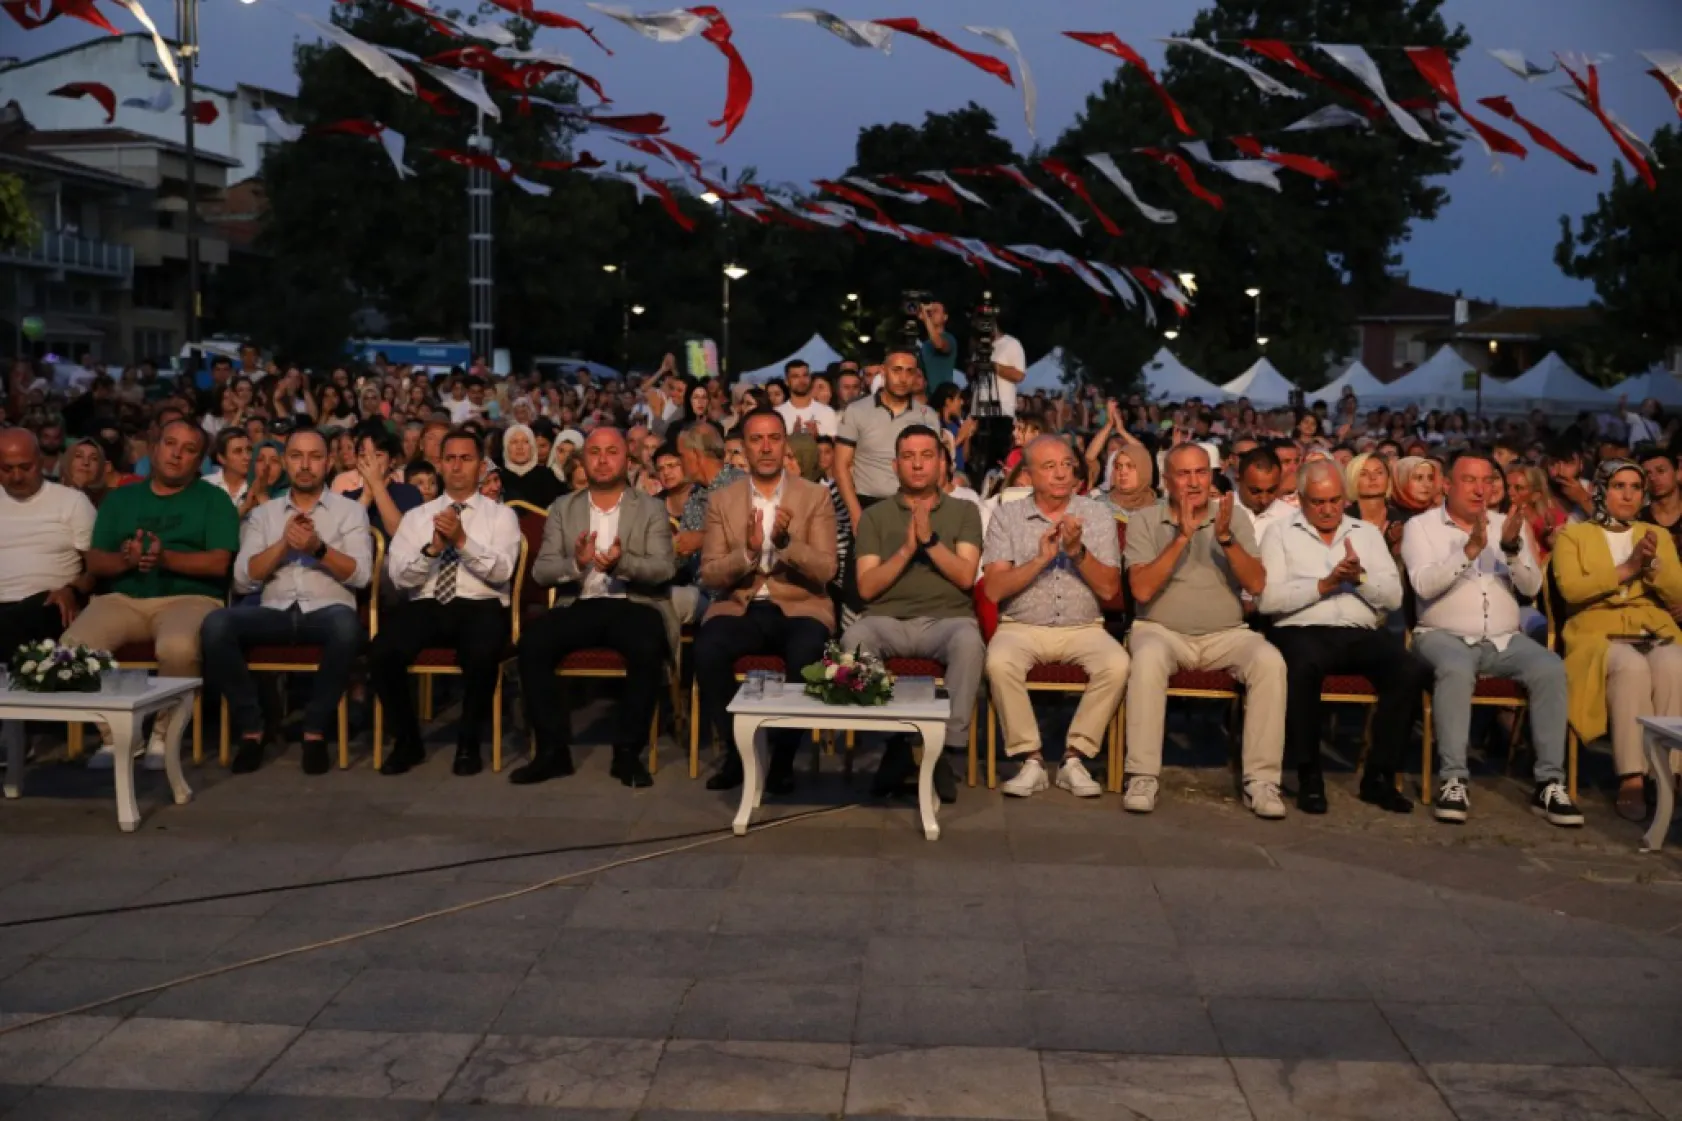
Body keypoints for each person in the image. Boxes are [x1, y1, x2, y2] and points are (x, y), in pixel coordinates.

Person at [1402, 452, 1582, 826]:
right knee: (1455, 668)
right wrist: (1469, 550)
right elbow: (1423, 585)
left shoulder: (1508, 525)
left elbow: (1531, 588)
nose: (1480, 489)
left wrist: (1512, 548)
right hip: (1441, 635)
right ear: (1447, 485)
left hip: (1504, 638)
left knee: (1550, 667)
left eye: (1487, 481)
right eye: (1469, 480)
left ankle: (1549, 783)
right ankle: (1453, 779)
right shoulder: (1421, 527)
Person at [62, 419, 239, 767]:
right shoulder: (121, 498)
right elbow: (95, 561)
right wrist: (126, 561)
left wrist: (165, 558)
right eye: (170, 444)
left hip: (190, 598)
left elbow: (219, 563)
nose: (177, 454)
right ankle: (117, 736)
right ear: (155, 449)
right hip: (123, 598)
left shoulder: (214, 500)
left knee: (178, 647)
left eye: (189, 449)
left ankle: (165, 735)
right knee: (73, 648)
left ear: (199, 461)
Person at [1123, 444, 1288, 819]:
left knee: (1270, 661)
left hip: (1226, 634)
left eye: (1201, 472)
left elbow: (1256, 584)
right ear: (1167, 481)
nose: (1195, 482)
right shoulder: (1144, 520)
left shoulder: (1233, 517)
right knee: (1147, 658)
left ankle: (1262, 781)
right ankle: (1142, 775)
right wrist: (1182, 537)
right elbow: (1142, 591)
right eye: (1184, 474)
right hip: (1161, 631)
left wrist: (1226, 539)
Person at [511, 428, 677, 788]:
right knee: (533, 644)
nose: (603, 460)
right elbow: (542, 572)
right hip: (579, 602)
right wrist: (576, 563)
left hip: (633, 603)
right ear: (583, 461)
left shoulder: (650, 507)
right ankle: (552, 752)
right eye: (595, 452)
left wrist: (621, 564)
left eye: (612, 452)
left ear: (627, 460)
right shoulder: (563, 507)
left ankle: (628, 754)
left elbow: (664, 569)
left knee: (647, 645)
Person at [201, 429, 373, 775]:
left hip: (327, 612)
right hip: (274, 612)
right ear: (285, 462)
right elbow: (242, 579)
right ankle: (252, 728)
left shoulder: (350, 512)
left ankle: (314, 730)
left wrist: (317, 548)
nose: (305, 465)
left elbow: (361, 576)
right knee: (216, 625)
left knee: (346, 627)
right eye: (296, 456)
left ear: (328, 463)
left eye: (314, 456)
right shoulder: (264, 514)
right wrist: (283, 545)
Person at [1260, 461, 1425, 815]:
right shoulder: (1279, 533)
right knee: (1301, 668)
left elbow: (1393, 598)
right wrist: (1325, 585)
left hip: (1357, 630)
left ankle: (1378, 778)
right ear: (1301, 498)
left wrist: (1359, 579)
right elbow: (1268, 600)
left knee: (1408, 668)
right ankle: (1309, 777)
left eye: (1335, 500)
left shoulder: (1366, 534)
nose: (1328, 509)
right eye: (1318, 502)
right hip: (1300, 628)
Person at [695, 409, 838, 793]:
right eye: (756, 439)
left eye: (774, 438)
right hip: (740, 605)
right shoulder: (723, 499)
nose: (766, 447)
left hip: (800, 604)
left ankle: (783, 760)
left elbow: (826, 570)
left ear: (785, 444)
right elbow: (710, 573)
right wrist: (748, 552)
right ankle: (738, 754)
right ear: (743, 447)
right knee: (707, 649)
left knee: (807, 651)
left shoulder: (814, 496)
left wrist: (785, 544)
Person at [842, 425, 984, 802]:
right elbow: (867, 587)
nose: (918, 465)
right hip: (887, 620)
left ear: (942, 464)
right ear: (895, 465)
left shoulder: (964, 511)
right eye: (908, 457)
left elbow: (966, 577)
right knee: (854, 639)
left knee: (970, 642)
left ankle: (945, 749)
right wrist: (907, 549)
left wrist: (929, 541)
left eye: (926, 456)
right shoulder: (874, 517)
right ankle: (897, 742)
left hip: (947, 621)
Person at [981, 435, 1127, 798]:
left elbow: (1109, 589)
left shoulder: (1097, 514)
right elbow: (994, 590)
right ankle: (1030, 759)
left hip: (1084, 627)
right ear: (1029, 475)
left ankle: (1074, 758)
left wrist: (1077, 553)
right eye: (1049, 467)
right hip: (1021, 626)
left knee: (1118, 663)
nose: (1061, 474)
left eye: (1066, 465)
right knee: (999, 661)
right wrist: (1039, 561)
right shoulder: (1007, 515)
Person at [371, 429, 521, 777]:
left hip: (480, 602)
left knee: (482, 653)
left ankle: (468, 744)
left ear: (481, 466)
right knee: (382, 652)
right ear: (439, 465)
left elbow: (503, 572)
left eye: (465, 459)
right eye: (450, 459)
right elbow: (400, 578)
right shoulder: (416, 517)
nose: (456, 466)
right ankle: (407, 741)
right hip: (426, 602)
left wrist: (462, 541)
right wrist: (432, 551)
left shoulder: (501, 516)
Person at [1553, 460, 1682, 822]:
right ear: (1600, 491)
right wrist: (1627, 569)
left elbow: (1677, 592)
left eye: (1635, 488)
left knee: (1674, 661)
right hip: (1595, 631)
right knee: (1631, 666)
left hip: (1651, 626)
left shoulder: (1656, 535)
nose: (1628, 495)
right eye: (1618, 486)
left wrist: (1652, 565)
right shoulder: (1573, 535)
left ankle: (1669, 773)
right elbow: (1572, 590)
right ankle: (1632, 776)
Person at [0, 429, 96, 664]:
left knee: (23, 616)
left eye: (25, 467)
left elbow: (97, 567)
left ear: (41, 462)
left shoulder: (72, 502)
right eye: (7, 469)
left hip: (48, 603)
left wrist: (72, 590)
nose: (17, 477)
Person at [834, 349, 941, 529]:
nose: (903, 378)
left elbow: (937, 466)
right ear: (883, 372)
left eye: (909, 371)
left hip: (915, 507)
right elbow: (840, 465)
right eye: (897, 370)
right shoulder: (857, 411)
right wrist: (855, 513)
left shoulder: (927, 416)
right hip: (868, 505)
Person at [498, 422, 563, 509]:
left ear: (532, 447)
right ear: (506, 447)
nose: (519, 447)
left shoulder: (547, 475)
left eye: (525, 442)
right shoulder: (498, 478)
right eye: (514, 442)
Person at [774, 361, 838, 439]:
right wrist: (793, 437)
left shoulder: (827, 412)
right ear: (786, 381)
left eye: (805, 375)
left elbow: (832, 444)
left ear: (810, 378)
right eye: (795, 376)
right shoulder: (777, 414)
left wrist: (816, 437)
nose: (801, 380)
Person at [1638, 444, 1682, 557]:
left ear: (1677, 472)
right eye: (1647, 474)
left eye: (1661, 471)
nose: (1653, 478)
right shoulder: (1638, 520)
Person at [917, 300, 958, 392]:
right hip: (927, 395)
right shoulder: (926, 344)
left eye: (935, 311)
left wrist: (926, 318)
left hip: (942, 394)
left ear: (945, 317)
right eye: (930, 311)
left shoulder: (949, 338)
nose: (931, 313)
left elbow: (939, 344)